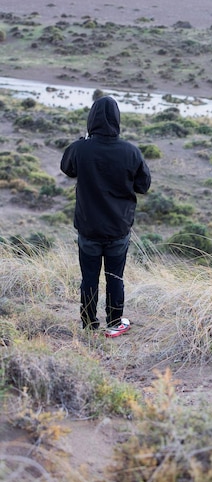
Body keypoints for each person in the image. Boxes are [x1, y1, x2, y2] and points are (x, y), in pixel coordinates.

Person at [60, 95, 151, 337]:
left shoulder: (81, 149)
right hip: (118, 228)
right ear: (118, 120)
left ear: (92, 120)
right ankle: (114, 323)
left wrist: (84, 140)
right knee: (115, 278)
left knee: (88, 278)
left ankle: (89, 324)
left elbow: (66, 167)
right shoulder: (131, 152)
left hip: (88, 229)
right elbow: (144, 186)